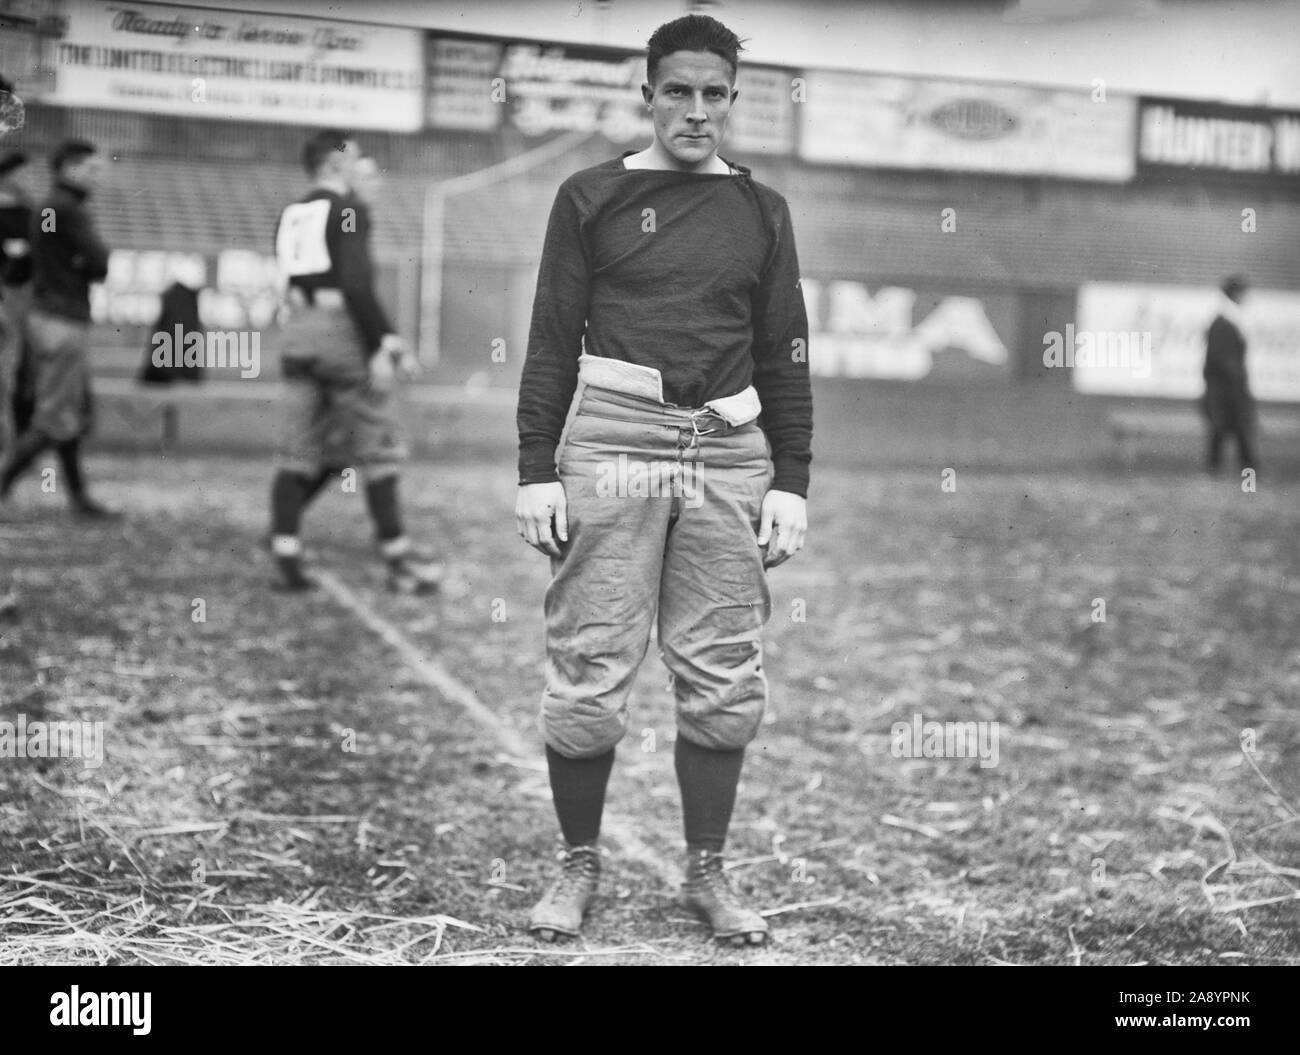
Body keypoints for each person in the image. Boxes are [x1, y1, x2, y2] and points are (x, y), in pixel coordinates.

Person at [515, 14, 811, 945]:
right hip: (615, 437)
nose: (695, 109)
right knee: (593, 662)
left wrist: (791, 478)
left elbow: (785, 353)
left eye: (713, 92)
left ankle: (708, 870)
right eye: (676, 91)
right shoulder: (591, 195)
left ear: (732, 98)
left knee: (723, 670)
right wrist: (536, 468)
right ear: (647, 94)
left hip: (729, 445)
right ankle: (576, 866)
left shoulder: (762, 210)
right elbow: (552, 337)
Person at [269, 130, 442, 594]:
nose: (361, 164)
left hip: (298, 329)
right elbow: (355, 284)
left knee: (297, 450)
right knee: (377, 445)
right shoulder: (347, 208)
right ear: (332, 163)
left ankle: (285, 551)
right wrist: (383, 343)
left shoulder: (291, 213)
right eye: (354, 156)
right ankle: (399, 559)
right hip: (338, 332)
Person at [0, 138, 116, 518]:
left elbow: (29, 262)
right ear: (70, 168)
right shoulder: (67, 209)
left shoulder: (46, 209)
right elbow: (99, 263)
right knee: (54, 418)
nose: (98, 177)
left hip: (43, 316)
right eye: (92, 169)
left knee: (67, 413)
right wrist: (81, 265)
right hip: (64, 319)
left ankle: (80, 498)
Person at [1201, 275, 1259, 474]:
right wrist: (1237, 385)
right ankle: (1245, 473)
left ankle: (1238, 471)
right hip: (1226, 388)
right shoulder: (1224, 322)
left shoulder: (1229, 319)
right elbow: (1222, 359)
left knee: (1230, 429)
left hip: (1229, 386)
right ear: (1235, 293)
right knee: (1229, 428)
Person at [0, 142, 33, 460]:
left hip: (24, 297)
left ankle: (16, 443)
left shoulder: (34, 213)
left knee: (22, 371)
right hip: (7, 296)